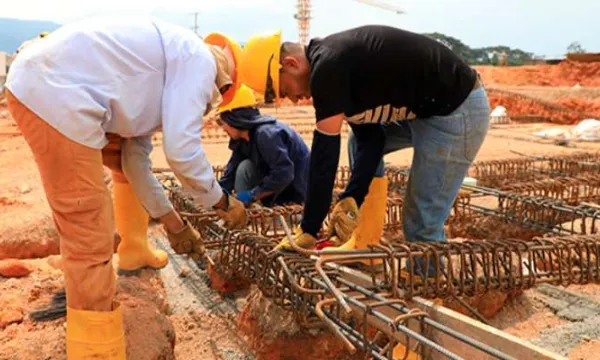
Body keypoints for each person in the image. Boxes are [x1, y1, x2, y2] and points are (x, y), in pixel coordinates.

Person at [4, 16, 246, 359]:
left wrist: (176, 227)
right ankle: (96, 350)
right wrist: (221, 202)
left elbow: (135, 165)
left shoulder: (164, 72)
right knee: (88, 227)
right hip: (54, 94)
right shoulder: (200, 63)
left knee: (120, 160)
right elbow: (183, 153)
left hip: (51, 83)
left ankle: (134, 249)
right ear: (223, 87)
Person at [241, 25, 490, 269]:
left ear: (292, 65)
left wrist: (309, 228)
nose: (293, 99)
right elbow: (371, 138)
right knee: (355, 141)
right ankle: (365, 244)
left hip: (456, 112)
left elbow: (324, 154)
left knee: (422, 214)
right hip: (427, 111)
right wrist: (353, 195)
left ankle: (427, 279)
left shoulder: (327, 67)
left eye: (285, 90)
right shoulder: (339, 65)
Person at [216, 85, 310, 207]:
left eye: (223, 123)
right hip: (278, 187)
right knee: (244, 167)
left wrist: (252, 194)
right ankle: (244, 212)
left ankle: (265, 213)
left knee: (246, 168)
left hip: (296, 192)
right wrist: (215, 197)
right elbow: (230, 173)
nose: (223, 128)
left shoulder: (266, 135)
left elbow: (284, 174)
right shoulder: (243, 139)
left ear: (234, 118)